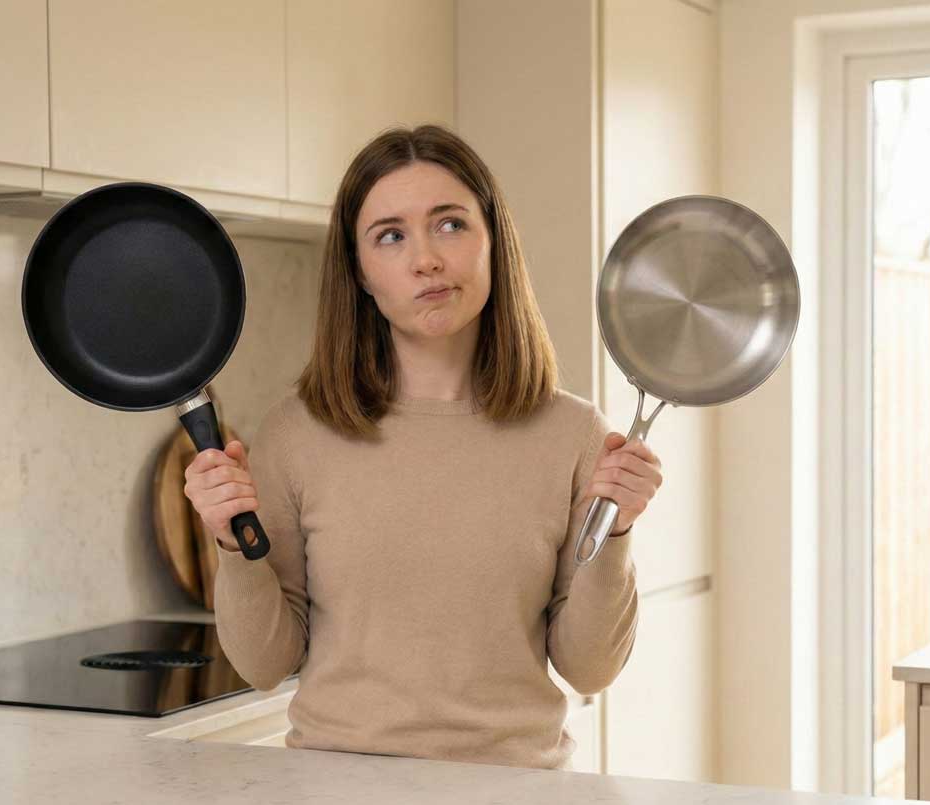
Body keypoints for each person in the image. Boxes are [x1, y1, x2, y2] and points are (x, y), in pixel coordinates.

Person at [183, 124, 662, 771]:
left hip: (516, 804)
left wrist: (618, 530)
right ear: (359, 270)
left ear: (493, 239)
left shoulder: (573, 433)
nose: (426, 259)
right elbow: (265, 662)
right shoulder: (295, 434)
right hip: (337, 802)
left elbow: (590, 668)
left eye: (450, 224)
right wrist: (228, 543)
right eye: (391, 235)